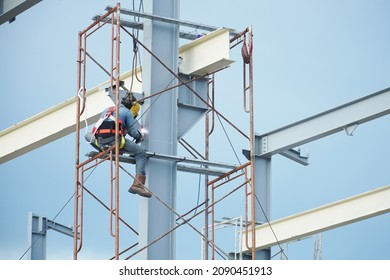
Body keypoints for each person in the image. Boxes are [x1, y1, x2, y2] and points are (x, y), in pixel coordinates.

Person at [86, 92, 151, 198]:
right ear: (132, 107)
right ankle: (138, 185)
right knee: (140, 153)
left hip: (100, 141)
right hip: (115, 141)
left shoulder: (106, 110)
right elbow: (133, 132)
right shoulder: (127, 112)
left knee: (87, 136)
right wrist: (140, 136)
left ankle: (104, 149)